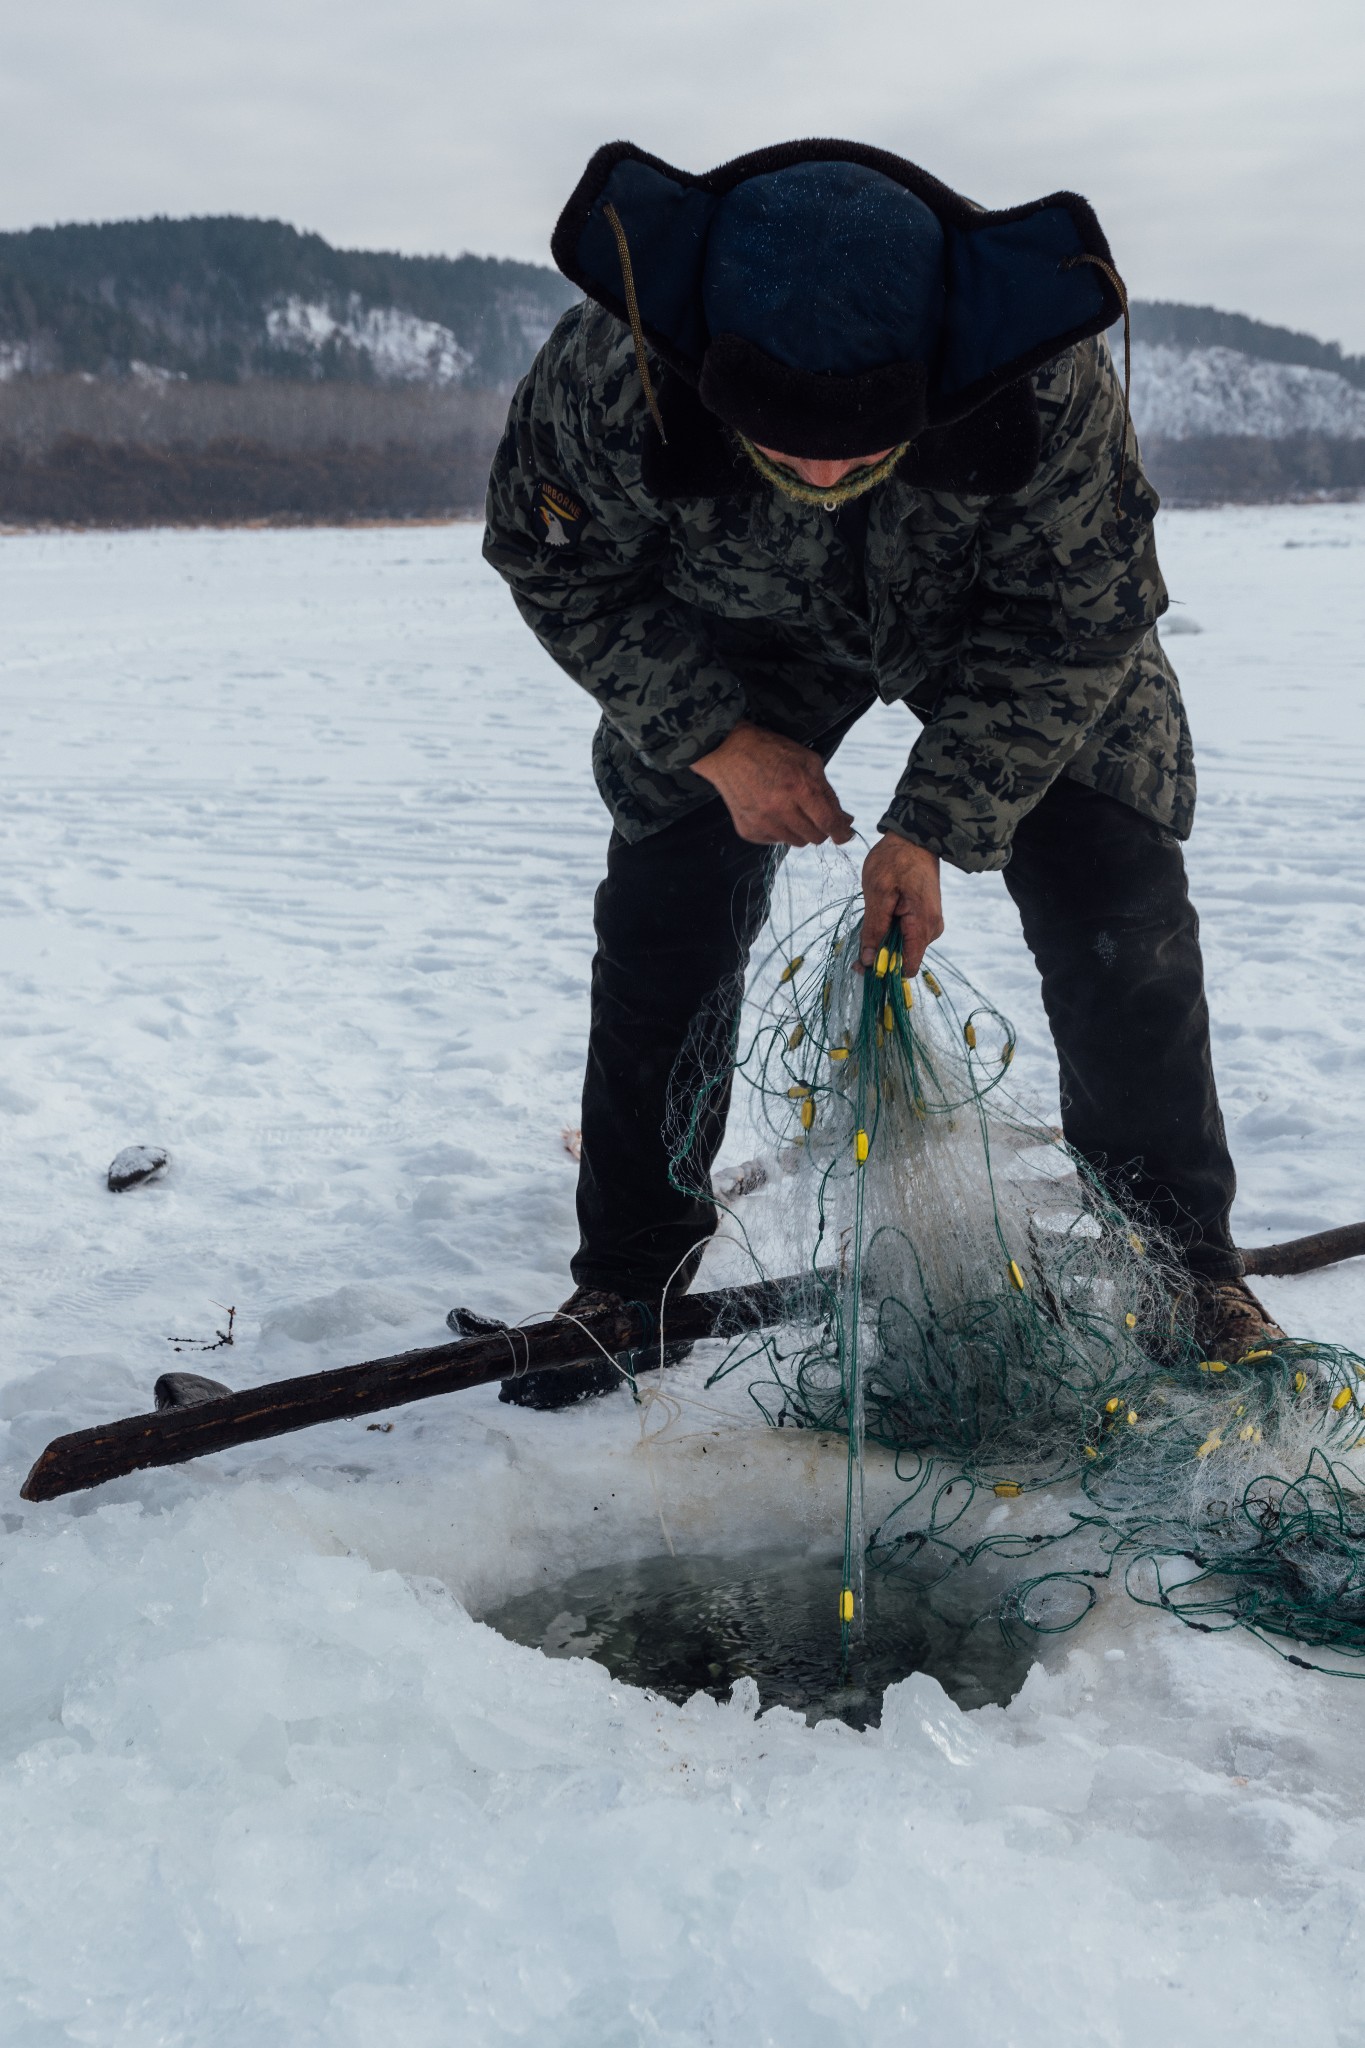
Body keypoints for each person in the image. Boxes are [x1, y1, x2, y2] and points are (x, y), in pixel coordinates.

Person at [484, 139, 1283, 1407]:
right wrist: (714, 740)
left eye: (854, 449)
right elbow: (553, 560)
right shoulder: (614, 367)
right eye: (785, 446)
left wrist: (934, 824)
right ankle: (631, 1276)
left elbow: (1082, 617)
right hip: (737, 630)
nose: (817, 475)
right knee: (666, 911)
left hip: (999, 623)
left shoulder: (1040, 382)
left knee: (1117, 902)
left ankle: (1189, 1263)